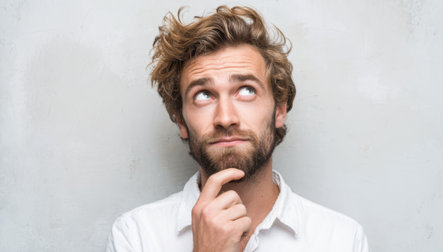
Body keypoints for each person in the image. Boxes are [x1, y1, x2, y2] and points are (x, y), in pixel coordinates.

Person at [106, 5, 369, 252]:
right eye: (203, 95)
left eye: (246, 90)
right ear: (181, 121)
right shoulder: (137, 235)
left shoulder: (341, 239)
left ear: (279, 110)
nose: (225, 118)